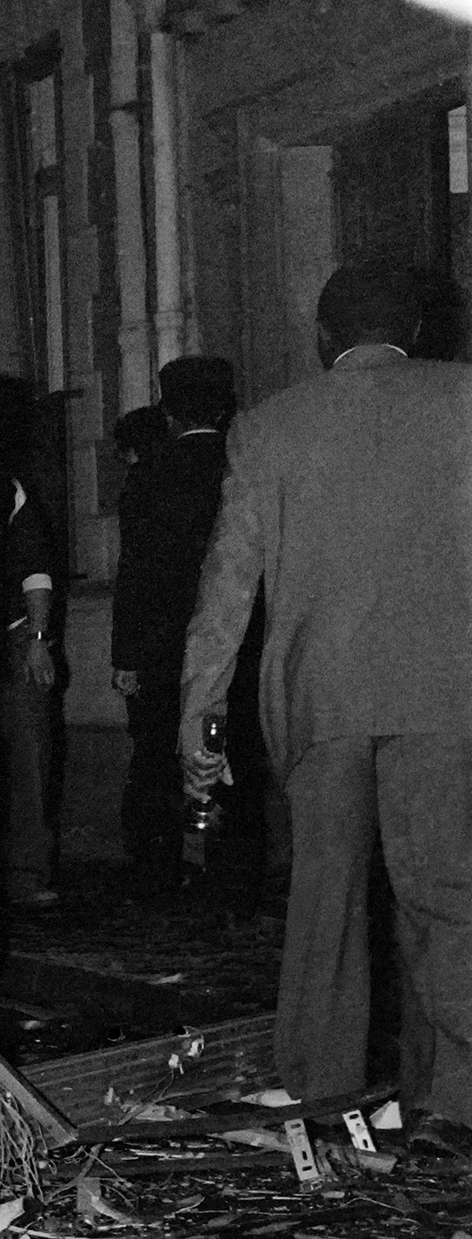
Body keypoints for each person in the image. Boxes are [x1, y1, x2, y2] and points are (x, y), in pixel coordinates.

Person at [179, 261, 472, 1154]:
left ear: (321, 338)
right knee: (448, 898)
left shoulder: (269, 428)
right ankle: (455, 1105)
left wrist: (200, 713)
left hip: (321, 701)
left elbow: (227, 589)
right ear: (416, 333)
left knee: (326, 898)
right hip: (447, 695)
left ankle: (323, 1096)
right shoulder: (467, 402)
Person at [110, 360, 235, 882]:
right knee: (232, 750)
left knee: (155, 755)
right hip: (233, 634)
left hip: (162, 640)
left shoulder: (150, 474)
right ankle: (233, 875)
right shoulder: (239, 465)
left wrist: (126, 655)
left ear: (168, 412)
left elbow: (133, 570)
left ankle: (154, 870)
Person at [0, 446, 64, 909]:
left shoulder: (11, 494)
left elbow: (36, 572)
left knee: (27, 757)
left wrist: (38, 638)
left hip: (15, 639)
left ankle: (27, 873)